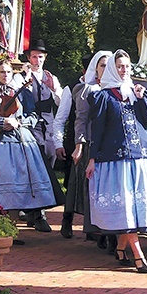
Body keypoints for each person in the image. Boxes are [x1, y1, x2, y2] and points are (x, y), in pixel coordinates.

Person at [85, 49, 147, 273]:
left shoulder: (140, 93)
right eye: (120, 66)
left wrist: (140, 98)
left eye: (127, 66)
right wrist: (92, 158)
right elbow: (97, 129)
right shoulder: (103, 96)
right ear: (112, 68)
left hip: (142, 157)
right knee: (126, 209)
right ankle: (139, 255)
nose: (124, 70)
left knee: (135, 209)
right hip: (115, 160)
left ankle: (121, 248)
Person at [0, 60, 57, 216]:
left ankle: (33, 217)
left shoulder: (23, 92)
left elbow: (33, 116)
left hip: (22, 142)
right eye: (2, 72)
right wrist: (4, 121)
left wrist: (18, 122)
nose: (5, 75)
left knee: (23, 181)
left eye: (8, 72)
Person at [15, 39, 65, 232]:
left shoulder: (50, 77)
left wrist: (53, 90)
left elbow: (61, 102)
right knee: (34, 166)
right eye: (34, 56)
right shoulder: (21, 76)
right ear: (29, 58)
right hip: (30, 126)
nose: (37, 60)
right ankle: (37, 213)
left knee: (49, 162)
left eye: (40, 57)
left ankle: (34, 208)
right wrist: (25, 79)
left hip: (48, 125)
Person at [66, 51, 113, 246]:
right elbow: (81, 120)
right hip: (93, 143)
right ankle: (95, 229)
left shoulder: (119, 89)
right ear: (95, 69)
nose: (106, 69)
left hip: (112, 145)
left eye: (109, 65)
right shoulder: (88, 90)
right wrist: (79, 145)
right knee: (91, 188)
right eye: (102, 65)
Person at [52, 53, 94, 238]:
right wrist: (58, 143)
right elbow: (60, 118)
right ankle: (67, 219)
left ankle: (92, 227)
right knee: (72, 182)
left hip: (95, 143)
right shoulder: (71, 88)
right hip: (74, 142)